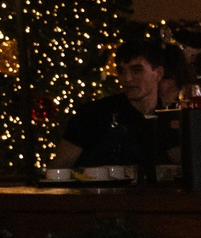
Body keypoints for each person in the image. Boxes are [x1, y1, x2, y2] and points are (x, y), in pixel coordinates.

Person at [54, 40, 178, 172]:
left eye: (136, 71)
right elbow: (58, 169)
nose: (127, 78)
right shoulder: (93, 114)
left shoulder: (171, 118)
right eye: (121, 71)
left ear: (158, 73)